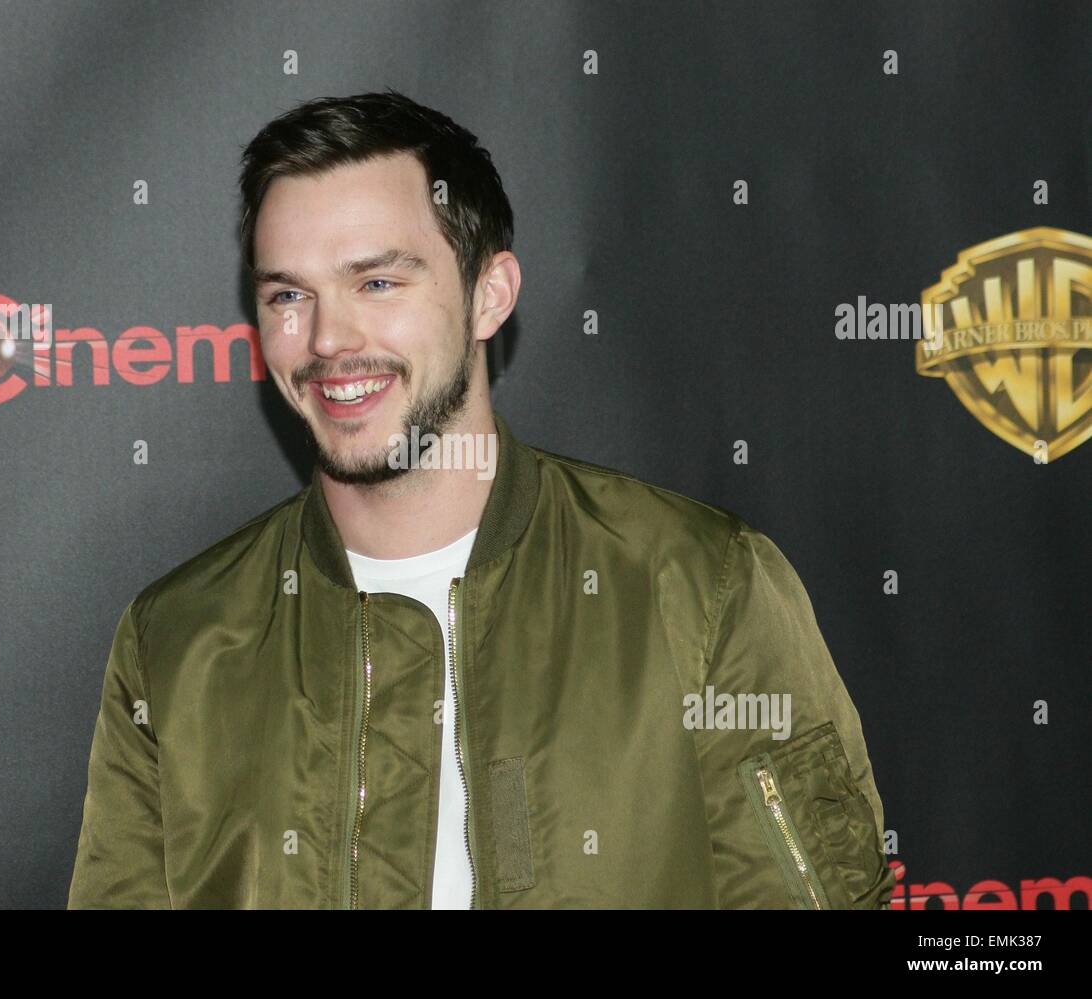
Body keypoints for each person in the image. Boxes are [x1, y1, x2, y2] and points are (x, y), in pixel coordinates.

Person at [67, 89, 894, 909]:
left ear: (490, 294)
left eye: (379, 282)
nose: (327, 340)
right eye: (289, 294)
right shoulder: (175, 641)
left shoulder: (702, 588)